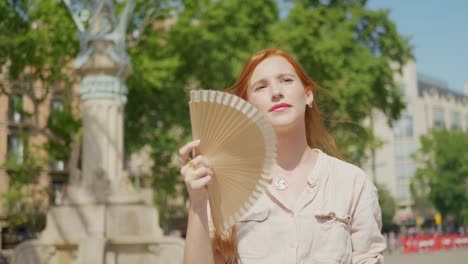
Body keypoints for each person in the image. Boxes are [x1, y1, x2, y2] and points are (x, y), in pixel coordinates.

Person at [179, 49, 386, 264]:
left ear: (308, 94)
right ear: (247, 106)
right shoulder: (221, 187)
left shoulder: (352, 182)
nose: (276, 92)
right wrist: (198, 202)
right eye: (261, 87)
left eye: (286, 80)